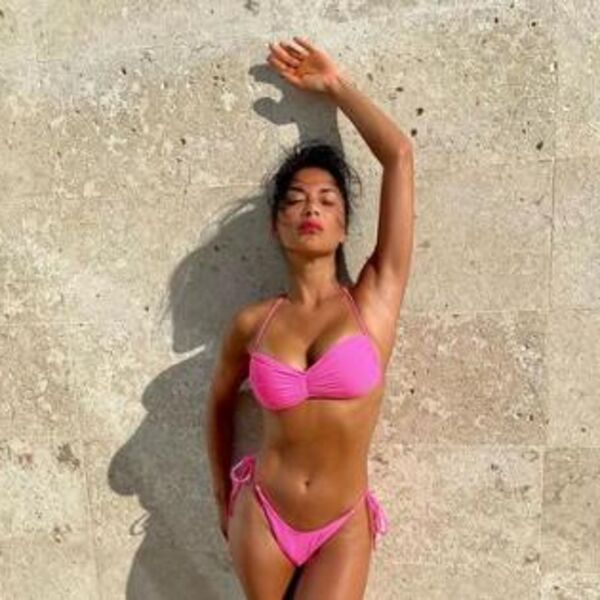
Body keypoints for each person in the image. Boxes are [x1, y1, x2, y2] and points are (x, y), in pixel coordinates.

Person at [206, 36, 414, 599]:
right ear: (276, 225)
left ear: (344, 226)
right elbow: (220, 401)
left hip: (341, 522)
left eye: (326, 199)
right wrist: (223, 496)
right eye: (295, 199)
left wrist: (336, 87)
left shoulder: (373, 300)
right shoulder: (253, 323)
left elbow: (399, 155)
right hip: (262, 514)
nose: (311, 208)